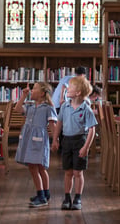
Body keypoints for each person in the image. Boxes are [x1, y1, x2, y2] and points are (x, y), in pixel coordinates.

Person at [52, 76, 98, 210]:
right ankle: (67, 197)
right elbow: (59, 123)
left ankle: (77, 198)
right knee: (68, 172)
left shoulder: (86, 109)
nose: (67, 89)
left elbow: (91, 130)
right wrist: (55, 139)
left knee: (78, 173)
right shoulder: (65, 106)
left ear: (78, 93)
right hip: (67, 141)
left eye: (70, 88)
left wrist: (86, 147)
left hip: (80, 142)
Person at [15, 82, 57, 208]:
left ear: (42, 93)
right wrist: (23, 96)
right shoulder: (30, 107)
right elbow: (17, 108)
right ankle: (45, 193)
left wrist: (55, 140)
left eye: (34, 89)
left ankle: (41, 196)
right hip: (29, 140)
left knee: (36, 167)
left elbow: (52, 125)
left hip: (38, 141)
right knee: (37, 167)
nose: (31, 91)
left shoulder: (48, 108)